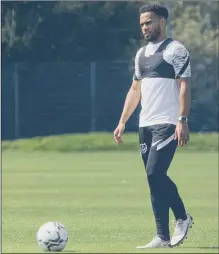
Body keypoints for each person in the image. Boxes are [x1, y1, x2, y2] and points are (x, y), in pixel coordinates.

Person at [113, 3, 194, 249]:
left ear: (162, 21)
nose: (145, 27)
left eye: (149, 22)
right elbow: (135, 89)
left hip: (167, 123)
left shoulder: (176, 50)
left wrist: (182, 120)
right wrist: (123, 121)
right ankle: (162, 236)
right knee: (154, 181)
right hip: (145, 124)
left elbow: (184, 86)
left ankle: (181, 217)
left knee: (154, 173)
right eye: (142, 24)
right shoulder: (141, 55)